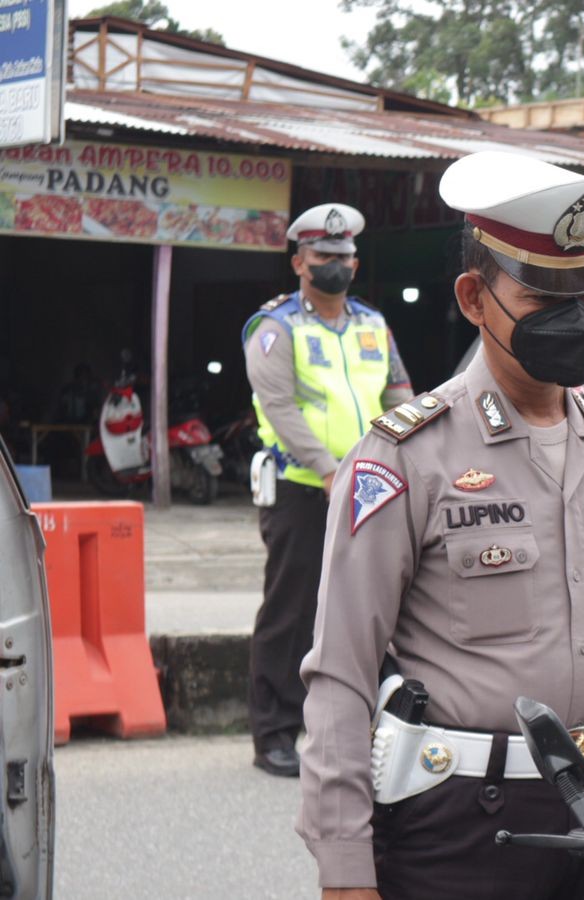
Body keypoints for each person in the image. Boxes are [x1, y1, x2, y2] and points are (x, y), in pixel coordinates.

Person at [296, 150, 584, 900]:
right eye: (544, 292)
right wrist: (343, 870)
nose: (575, 313)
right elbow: (340, 677)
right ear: (473, 297)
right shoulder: (407, 455)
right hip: (461, 823)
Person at [241, 203, 412, 777]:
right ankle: (273, 733)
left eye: (343, 257)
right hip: (300, 489)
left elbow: (398, 396)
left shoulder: (372, 325)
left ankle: (360, 725)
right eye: (322, 257)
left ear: (356, 263)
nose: (334, 265)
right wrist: (327, 468)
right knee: (292, 612)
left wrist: (412, 453)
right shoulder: (276, 328)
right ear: (299, 262)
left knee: (371, 608)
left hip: (368, 488)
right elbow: (280, 407)